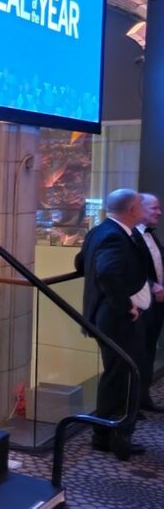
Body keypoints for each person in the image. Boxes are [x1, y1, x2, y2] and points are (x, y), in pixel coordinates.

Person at [75, 188, 151, 461]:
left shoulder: (100, 231)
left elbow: (81, 263)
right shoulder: (114, 236)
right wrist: (126, 305)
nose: (145, 209)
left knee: (117, 375)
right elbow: (107, 272)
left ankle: (106, 435)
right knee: (122, 377)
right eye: (141, 204)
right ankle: (115, 438)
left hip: (108, 316)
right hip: (116, 318)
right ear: (132, 210)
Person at [136, 193, 164, 412]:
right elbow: (129, 270)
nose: (159, 212)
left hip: (156, 305)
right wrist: (153, 285)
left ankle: (143, 398)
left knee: (148, 352)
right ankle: (131, 405)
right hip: (139, 306)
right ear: (138, 209)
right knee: (137, 355)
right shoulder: (128, 236)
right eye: (154, 208)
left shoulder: (151, 235)